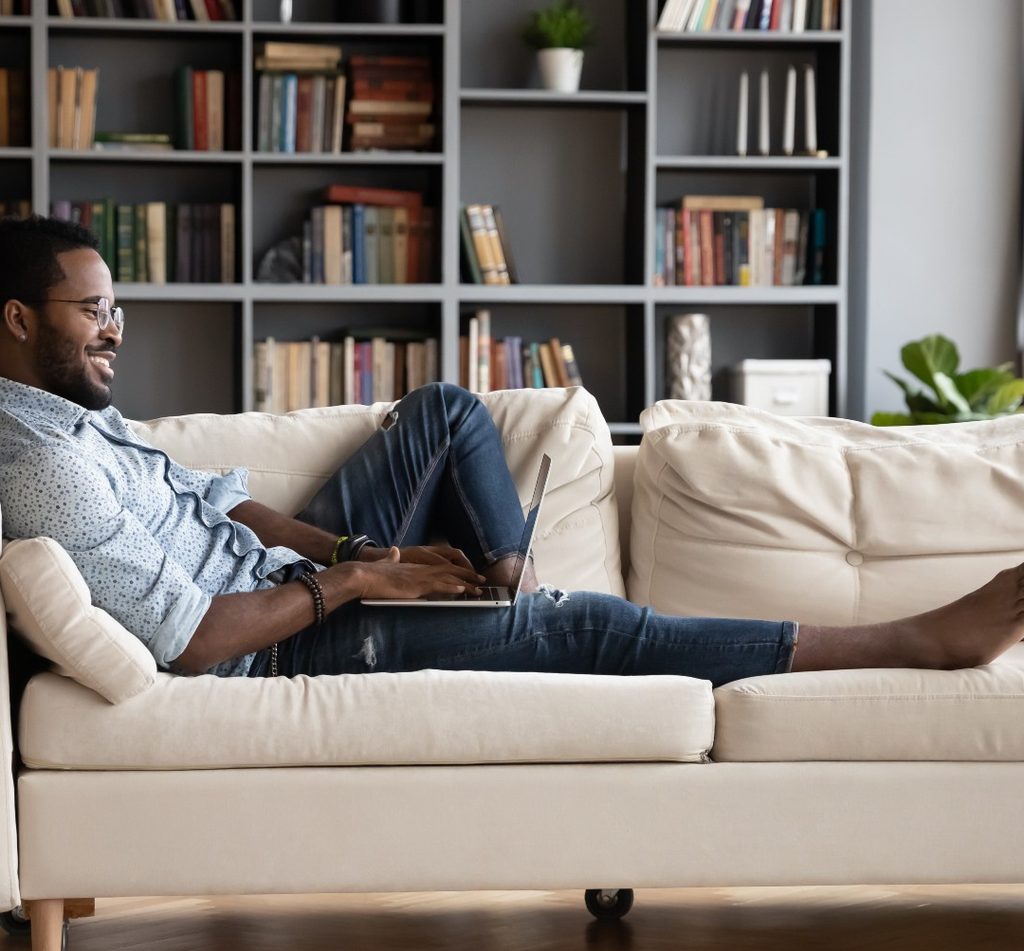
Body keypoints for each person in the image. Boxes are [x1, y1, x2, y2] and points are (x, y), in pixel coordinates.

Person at [0, 213, 1022, 686]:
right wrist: (355, 585)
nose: (115, 329)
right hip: (277, 640)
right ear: (15, 320)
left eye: (115, 307)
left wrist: (359, 550)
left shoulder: (74, 417)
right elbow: (190, 641)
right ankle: (910, 641)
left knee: (445, 410)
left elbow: (220, 504)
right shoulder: (43, 466)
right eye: (93, 309)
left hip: (288, 580)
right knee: (594, 628)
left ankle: (508, 579)